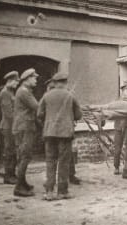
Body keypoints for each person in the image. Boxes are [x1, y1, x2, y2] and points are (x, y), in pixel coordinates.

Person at [37, 72, 82, 201]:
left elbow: (39, 114)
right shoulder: (71, 96)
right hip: (65, 134)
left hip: (49, 133)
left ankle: (49, 192)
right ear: (65, 82)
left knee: (50, 161)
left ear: (54, 83)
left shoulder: (46, 96)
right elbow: (78, 115)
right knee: (64, 162)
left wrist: (48, 124)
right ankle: (62, 191)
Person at [12, 68, 39, 197]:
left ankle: (22, 182)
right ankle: (18, 187)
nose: (36, 81)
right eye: (34, 78)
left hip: (22, 126)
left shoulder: (23, 91)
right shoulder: (24, 92)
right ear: (27, 79)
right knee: (25, 156)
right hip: (25, 127)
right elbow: (37, 107)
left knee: (23, 155)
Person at [0, 71, 20, 184]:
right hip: (8, 126)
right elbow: (8, 114)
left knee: (12, 150)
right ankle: (8, 176)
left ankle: (12, 174)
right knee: (9, 151)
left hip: (12, 126)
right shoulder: (5, 93)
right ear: (10, 81)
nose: (17, 84)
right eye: (16, 82)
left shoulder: (11, 92)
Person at [113, 81, 127, 175]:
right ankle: (116, 167)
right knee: (117, 148)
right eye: (125, 90)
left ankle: (126, 167)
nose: (126, 93)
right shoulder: (117, 102)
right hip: (118, 128)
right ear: (122, 91)